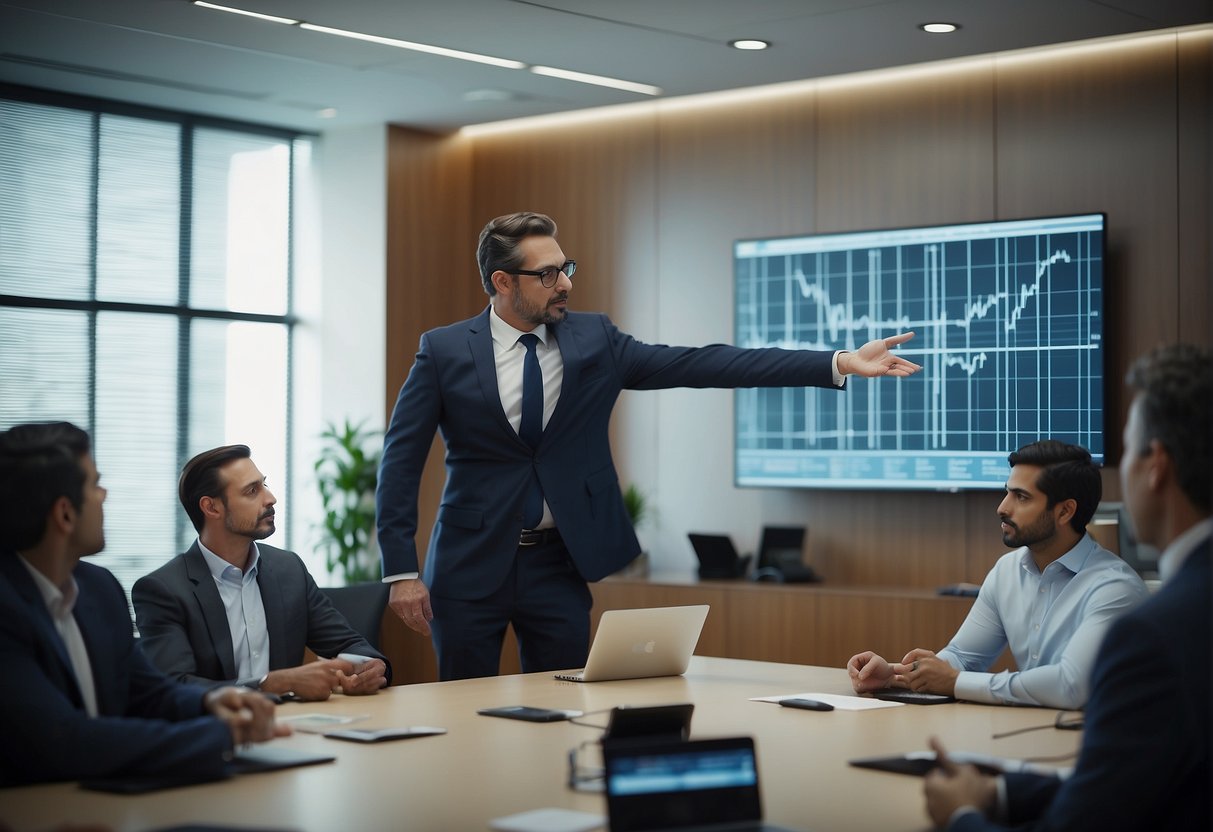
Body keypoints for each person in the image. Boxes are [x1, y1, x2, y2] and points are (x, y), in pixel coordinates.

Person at [377, 210, 922, 680]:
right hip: (469, 563)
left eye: (566, 267)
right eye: (547, 274)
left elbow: (706, 363)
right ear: (502, 281)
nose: (565, 283)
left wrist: (836, 363)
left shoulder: (596, 341)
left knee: (560, 709)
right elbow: (400, 462)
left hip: (559, 564)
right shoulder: (444, 350)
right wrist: (402, 572)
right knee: (464, 705)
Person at [923, 342, 1212, 831]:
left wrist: (965, 816)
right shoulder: (1008, 571)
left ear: (1156, 465)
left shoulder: (1149, 629)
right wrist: (996, 792)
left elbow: (1089, 814)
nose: (1002, 507)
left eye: (1128, 451)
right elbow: (1129, 782)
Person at [0, 422, 287, 786]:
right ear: (65, 514)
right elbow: (63, 741)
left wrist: (211, 703)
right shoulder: (6, 608)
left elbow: (148, 692)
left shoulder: (98, 589)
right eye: (94, 484)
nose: (104, 495)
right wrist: (225, 735)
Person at [847, 440, 1148, 709]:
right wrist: (895, 674)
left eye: (1022, 497)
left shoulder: (1115, 588)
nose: (1002, 508)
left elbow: (1070, 685)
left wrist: (954, 682)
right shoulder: (1007, 570)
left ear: (1065, 511)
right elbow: (963, 658)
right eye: (1007, 493)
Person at [133, 445, 390, 701]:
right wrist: (271, 684)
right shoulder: (163, 590)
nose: (270, 498)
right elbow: (173, 688)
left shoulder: (288, 569)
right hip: (213, 733)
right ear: (212, 508)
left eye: (264, 484)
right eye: (252, 491)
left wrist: (368, 668)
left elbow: (353, 645)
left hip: (293, 729)